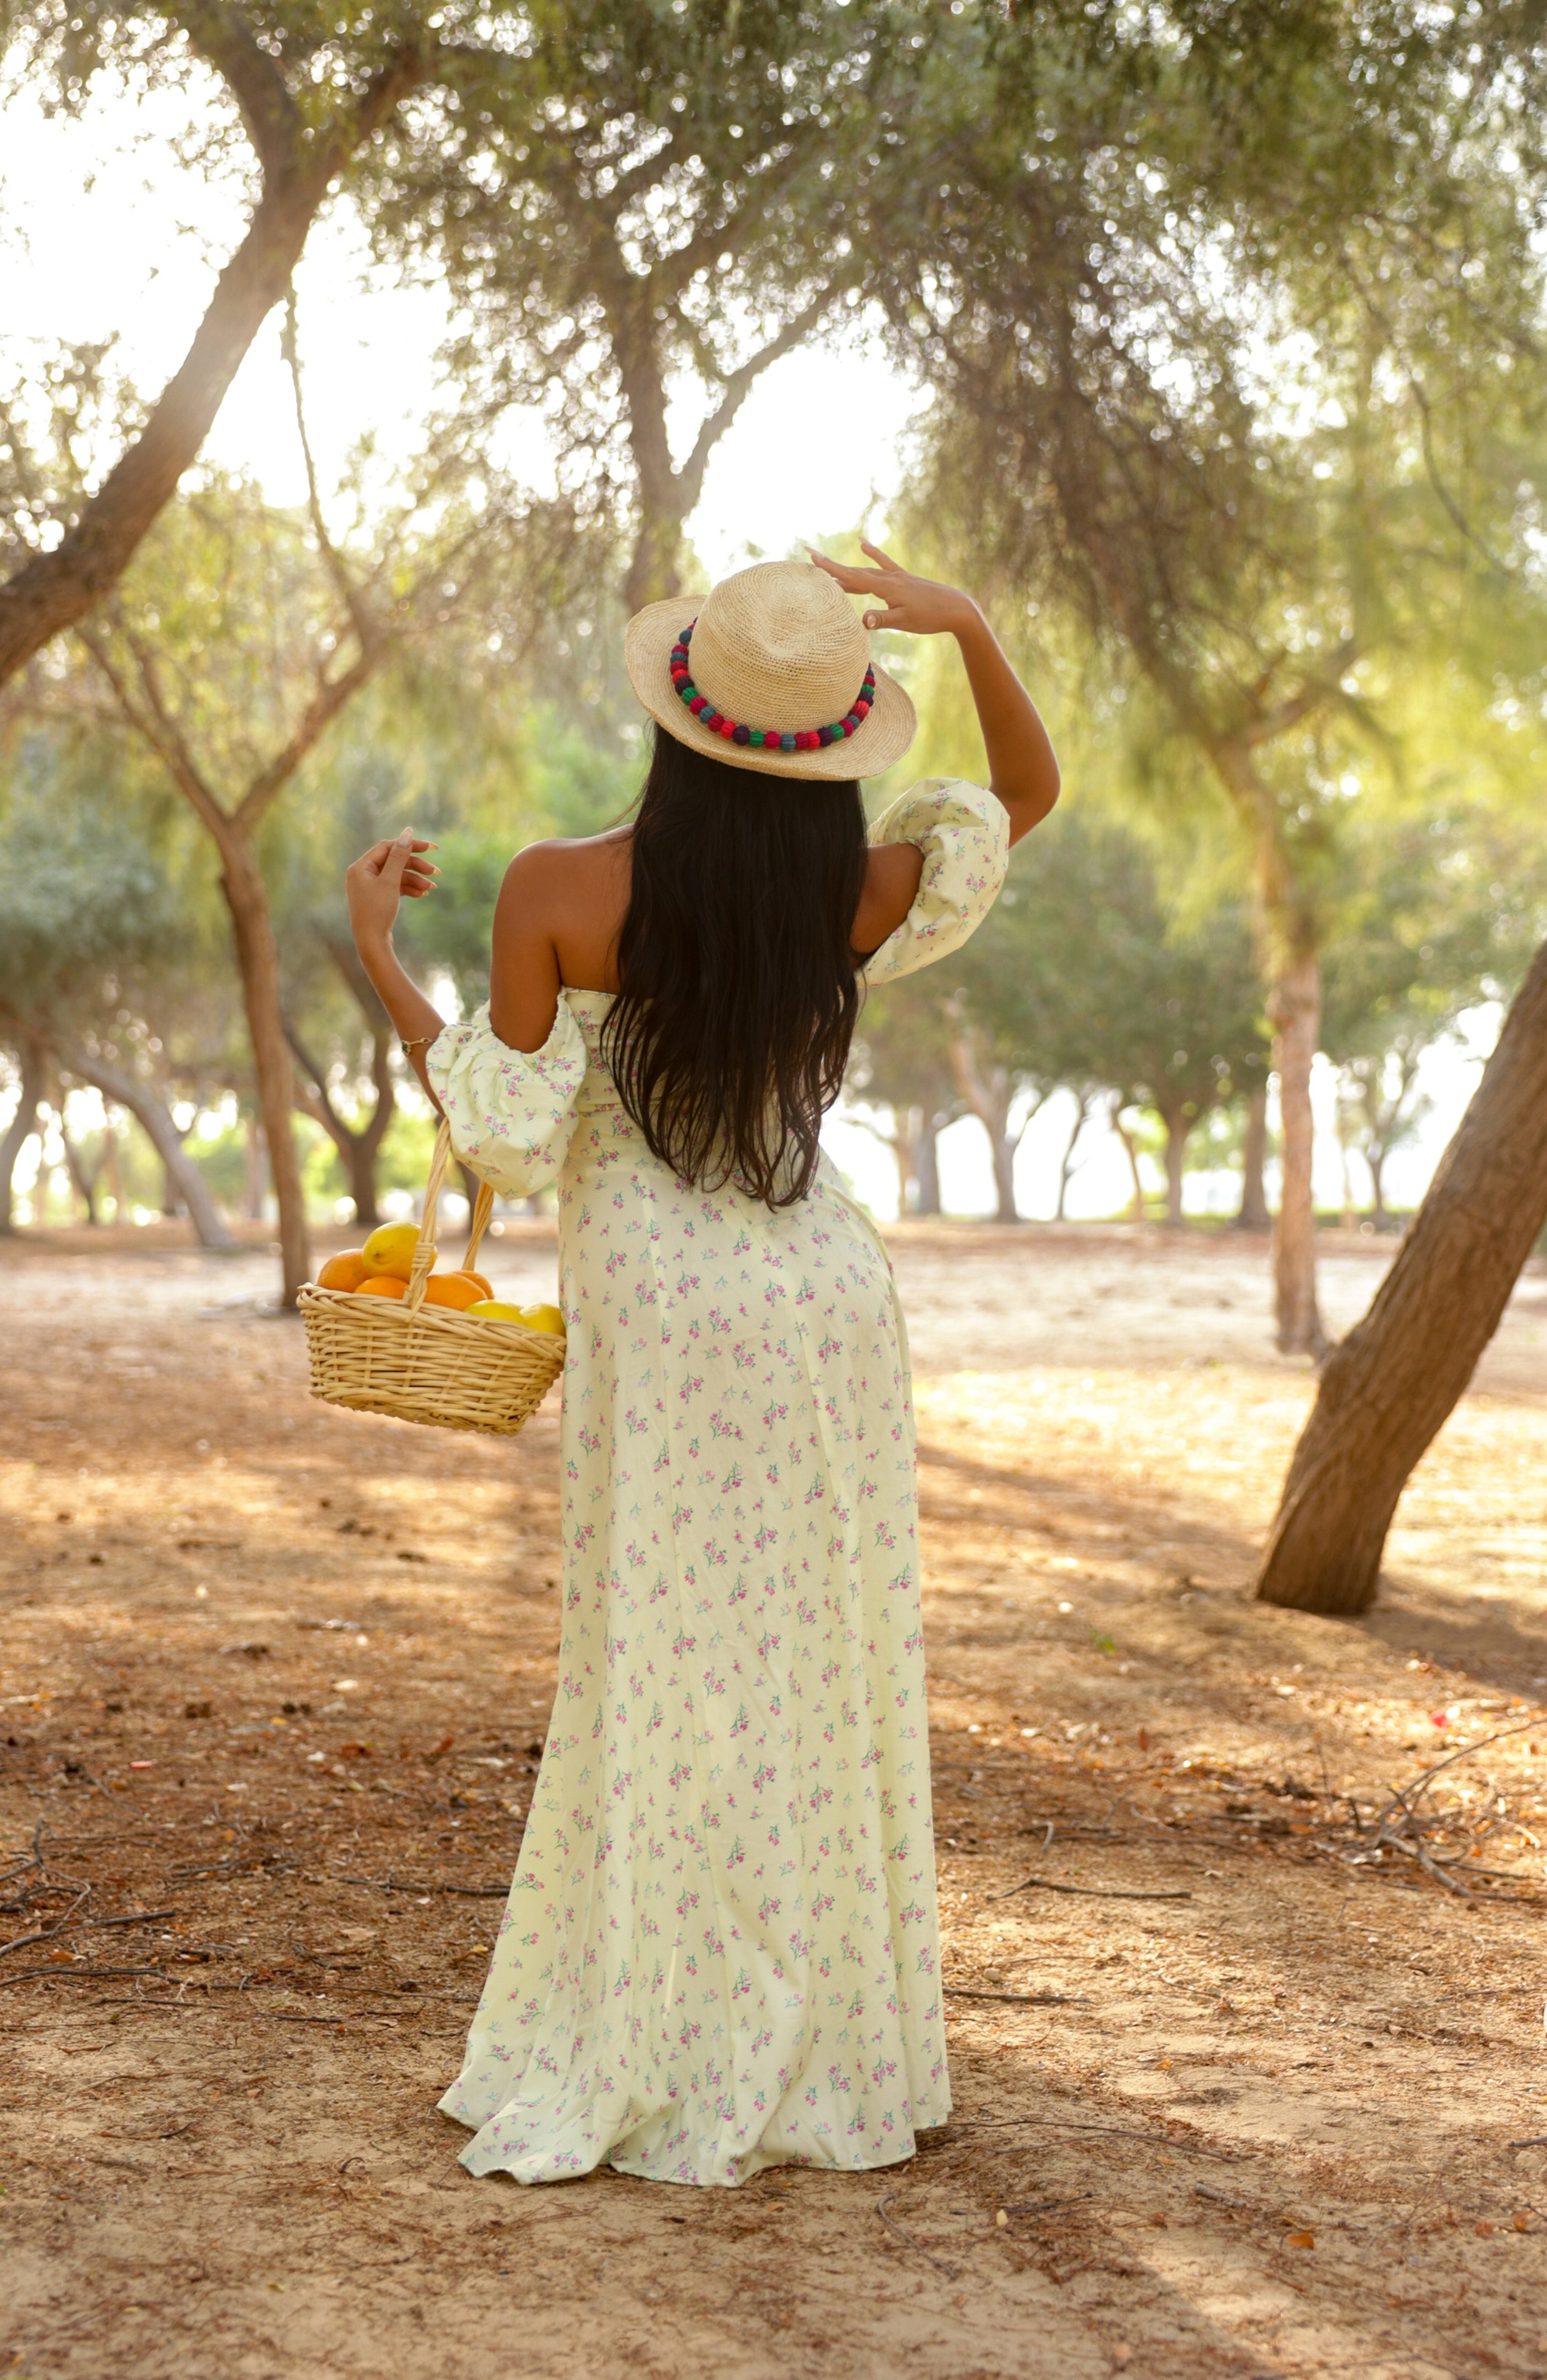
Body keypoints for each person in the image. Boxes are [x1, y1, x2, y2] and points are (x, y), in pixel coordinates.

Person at [344, 544, 1058, 2187]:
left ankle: (661, 2025)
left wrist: (382, 949)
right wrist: (965, 624)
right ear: (830, 746)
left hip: (662, 1298)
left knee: (659, 1662)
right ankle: (814, 2032)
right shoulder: (857, 887)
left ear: (674, 718)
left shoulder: (557, 887)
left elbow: (503, 1133)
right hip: (823, 1289)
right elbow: (1020, 795)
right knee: (816, 1659)